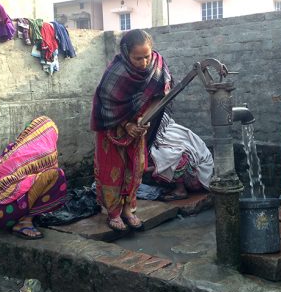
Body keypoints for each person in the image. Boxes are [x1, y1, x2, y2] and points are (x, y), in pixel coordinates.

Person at [91, 29, 172, 231]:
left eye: (147, 56)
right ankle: (114, 213)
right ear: (126, 53)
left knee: (135, 168)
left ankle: (128, 209)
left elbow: (160, 96)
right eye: (138, 58)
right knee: (113, 170)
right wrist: (127, 125)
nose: (144, 63)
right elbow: (105, 105)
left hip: (140, 127)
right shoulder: (115, 73)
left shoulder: (157, 65)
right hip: (113, 129)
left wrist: (145, 121)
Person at [0, 116, 67, 239]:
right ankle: (24, 222)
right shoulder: (47, 154)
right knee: (57, 175)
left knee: (30, 181)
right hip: (6, 216)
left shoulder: (12, 147)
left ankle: (22, 215)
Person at [147, 112, 213, 201]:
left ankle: (180, 190)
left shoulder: (164, 137)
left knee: (163, 156)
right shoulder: (167, 129)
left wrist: (146, 169)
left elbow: (175, 159)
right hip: (202, 174)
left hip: (198, 178)